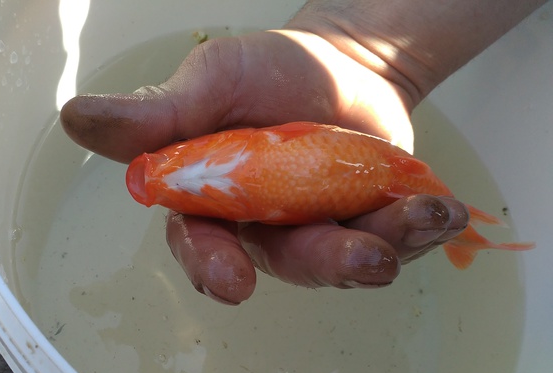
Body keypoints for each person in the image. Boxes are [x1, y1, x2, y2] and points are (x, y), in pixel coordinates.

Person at [60, 0, 545, 305]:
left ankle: (471, 238)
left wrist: (361, 51)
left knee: (417, 210)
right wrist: (357, 45)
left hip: (375, 165)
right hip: (333, 167)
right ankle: (470, 237)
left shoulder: (243, 163)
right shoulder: (244, 176)